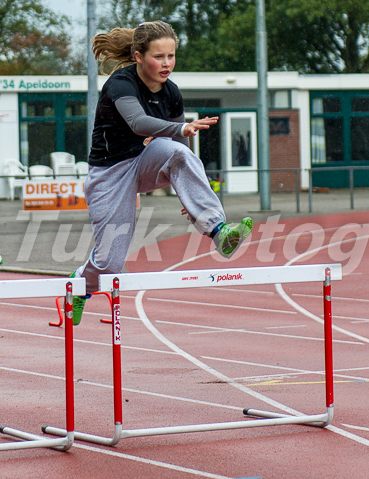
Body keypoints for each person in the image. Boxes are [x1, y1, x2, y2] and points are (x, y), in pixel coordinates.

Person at [70, 21, 253, 325]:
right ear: (139, 56)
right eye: (159, 57)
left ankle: (218, 230)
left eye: (171, 56)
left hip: (144, 161)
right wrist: (181, 127)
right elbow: (138, 122)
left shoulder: (171, 93)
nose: (167, 64)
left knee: (179, 153)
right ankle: (80, 284)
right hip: (110, 172)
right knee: (109, 264)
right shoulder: (120, 84)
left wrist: (187, 189)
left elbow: (178, 147)